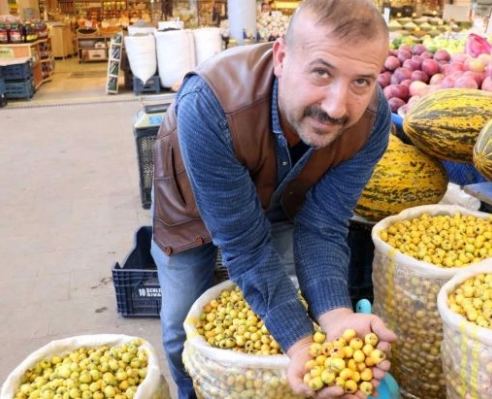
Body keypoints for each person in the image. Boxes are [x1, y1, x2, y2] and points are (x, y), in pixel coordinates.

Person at [150, 0, 396, 398]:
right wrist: (300, 341)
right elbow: (244, 245)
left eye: (361, 82)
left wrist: (334, 317)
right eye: (321, 72)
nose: (337, 106)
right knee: (180, 325)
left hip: (285, 198)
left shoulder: (372, 121)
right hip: (189, 208)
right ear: (281, 57)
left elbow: (323, 226)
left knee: (287, 292)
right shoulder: (209, 103)